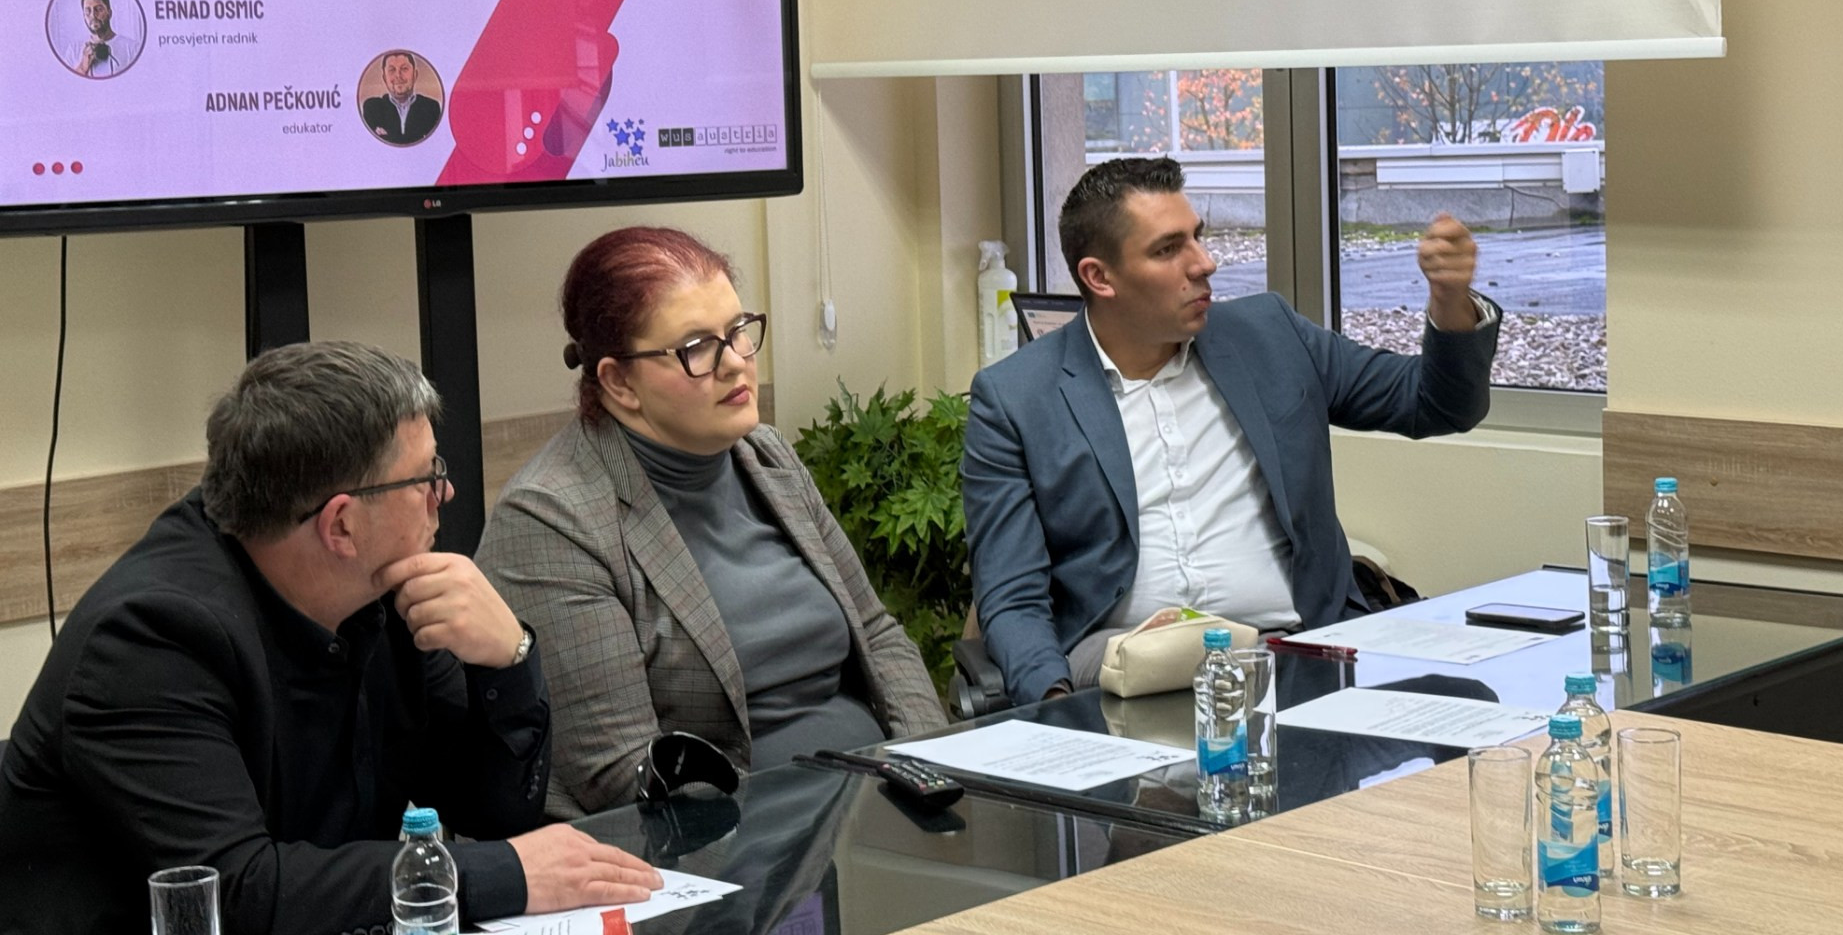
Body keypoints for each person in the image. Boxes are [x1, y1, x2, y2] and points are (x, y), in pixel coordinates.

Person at [0, 341, 662, 935]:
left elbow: (491, 814)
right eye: (426, 476)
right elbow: (237, 889)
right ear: (342, 524)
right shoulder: (152, 637)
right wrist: (504, 876)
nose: (445, 494)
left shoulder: (386, 590)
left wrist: (506, 661)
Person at [961, 156, 1502, 707]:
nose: (1205, 263)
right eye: (1168, 249)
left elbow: (1439, 405)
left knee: (1478, 716)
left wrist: (1450, 302)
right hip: (1124, 676)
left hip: (1296, 655)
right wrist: (1057, 712)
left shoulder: (1269, 337)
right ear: (1100, 278)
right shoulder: (1016, 398)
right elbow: (1013, 599)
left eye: (1197, 237)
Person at [478, 227, 945, 817]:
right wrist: (801, 822)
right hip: (736, 834)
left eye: (738, 331)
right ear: (619, 382)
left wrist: (931, 766)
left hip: (875, 806)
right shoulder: (552, 518)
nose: (736, 364)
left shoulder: (768, 456)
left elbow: (876, 635)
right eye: (697, 347)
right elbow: (622, 774)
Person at [360, 50, 443, 145]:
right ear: (384, 78)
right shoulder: (372, 108)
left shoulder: (431, 108)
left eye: (404, 69)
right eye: (392, 70)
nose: (398, 76)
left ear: (415, 74)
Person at [63, 0, 141, 78]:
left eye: (99, 9)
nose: (93, 15)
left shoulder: (132, 48)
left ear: (109, 13)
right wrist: (83, 67)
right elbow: (66, 84)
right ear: (84, 16)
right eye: (88, 11)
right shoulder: (73, 50)